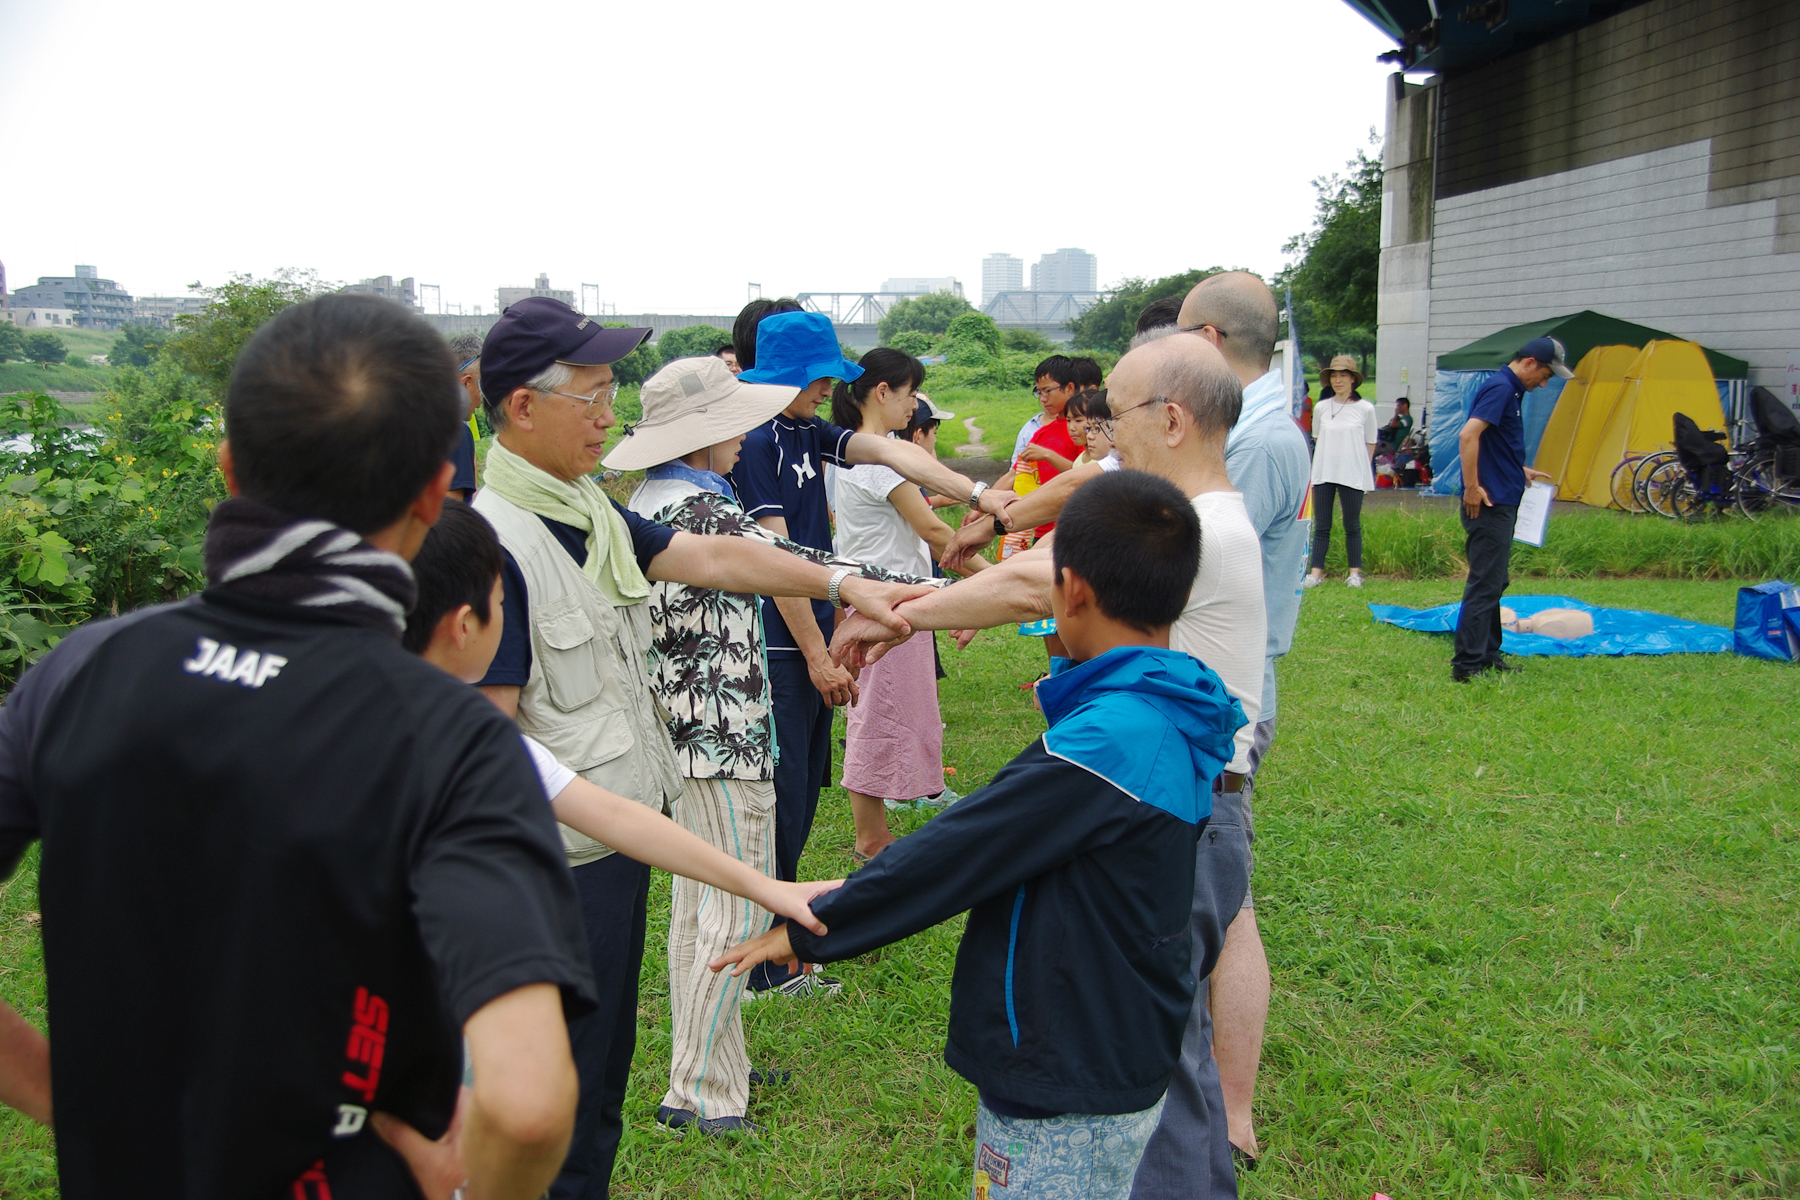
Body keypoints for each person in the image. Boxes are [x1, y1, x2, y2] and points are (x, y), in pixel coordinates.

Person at [0, 293, 600, 1200]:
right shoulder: (450, 737)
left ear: (230, 467)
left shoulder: (84, 668)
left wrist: (68, 1098)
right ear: (437, 495)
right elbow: (528, 1106)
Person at [468, 296, 930, 1197]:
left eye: (613, 395)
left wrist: (841, 580)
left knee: (598, 1081)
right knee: (551, 1098)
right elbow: (486, 753)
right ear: (522, 407)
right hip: (550, 869)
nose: (610, 416)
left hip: (611, 842)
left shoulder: (586, 512)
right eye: (592, 396)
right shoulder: (495, 545)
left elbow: (715, 558)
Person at [713, 471, 1247, 1200]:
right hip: (1118, 1040)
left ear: (1072, 593)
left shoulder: (1109, 743)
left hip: (1068, 1067)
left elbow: (963, 846)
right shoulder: (1170, 703)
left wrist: (814, 925)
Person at [834, 329, 1267, 1200]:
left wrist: (901, 615)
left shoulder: (1201, 532)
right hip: (1173, 798)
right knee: (1158, 1034)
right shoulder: (1178, 514)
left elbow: (1044, 582)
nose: (1098, 428)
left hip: (1163, 808)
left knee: (1161, 1057)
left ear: (1173, 420)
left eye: (1116, 411)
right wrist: (976, 538)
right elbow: (1057, 538)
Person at [407, 489, 853, 1140]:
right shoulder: (438, 756)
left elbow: (613, 816)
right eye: (510, 612)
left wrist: (768, 887)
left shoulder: (478, 741)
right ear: (464, 625)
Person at [727, 309, 1017, 999]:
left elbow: (895, 454)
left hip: (814, 632)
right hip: (779, 641)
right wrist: (817, 655)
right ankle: (762, 967)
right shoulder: (761, 438)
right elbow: (776, 560)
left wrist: (977, 493)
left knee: (798, 799)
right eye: (822, 375)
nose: (830, 386)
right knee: (778, 803)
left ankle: (777, 952)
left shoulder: (805, 429)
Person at [1171, 270, 1314, 1176]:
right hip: (1215, 680)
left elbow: (1179, 552)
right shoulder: (1260, 428)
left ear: (1212, 345)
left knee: (1224, 909)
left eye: (1179, 338)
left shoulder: (1250, 443)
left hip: (1220, 692)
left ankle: (1228, 1108)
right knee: (1224, 900)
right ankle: (1219, 1102)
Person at [830, 352, 988, 860]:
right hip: (885, 603)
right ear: (882, 392)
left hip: (891, 600)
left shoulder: (870, 453)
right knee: (878, 714)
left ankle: (876, 833)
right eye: (910, 393)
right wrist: (999, 582)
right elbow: (935, 531)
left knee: (887, 711)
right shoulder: (878, 459)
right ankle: (871, 837)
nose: (915, 404)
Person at [1454, 336, 1567, 682]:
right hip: (1489, 503)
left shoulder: (1511, 391)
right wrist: (1472, 487)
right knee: (1484, 583)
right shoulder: (1501, 387)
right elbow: (1468, 436)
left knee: (1496, 580)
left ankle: (1488, 652)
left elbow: (1494, 443)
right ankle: (1467, 665)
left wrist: (1519, 469)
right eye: (1545, 374)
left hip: (1504, 496)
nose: (1544, 383)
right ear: (1530, 362)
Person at [1303, 355, 1378, 589]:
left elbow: (1371, 442)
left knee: (1352, 524)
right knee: (1322, 524)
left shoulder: (1366, 409)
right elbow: (1317, 437)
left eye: (1343, 375)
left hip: (1353, 474)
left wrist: (1363, 469)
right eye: (1334, 376)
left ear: (1353, 379)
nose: (1338, 380)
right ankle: (1315, 573)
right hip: (1324, 472)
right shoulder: (1322, 407)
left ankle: (1354, 573)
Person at [448, 329, 484, 500]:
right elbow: (451, 512)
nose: (482, 398)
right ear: (466, 383)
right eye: (481, 386)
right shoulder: (454, 431)